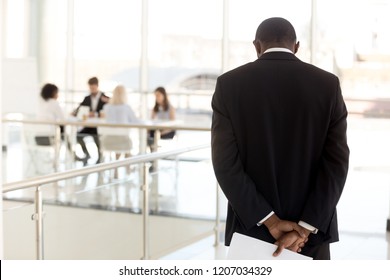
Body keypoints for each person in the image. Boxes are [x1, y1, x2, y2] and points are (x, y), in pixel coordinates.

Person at [211, 17, 349, 260]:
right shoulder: (327, 85)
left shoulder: (229, 85)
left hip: (251, 230)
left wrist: (270, 221)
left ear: (256, 45)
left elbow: (225, 164)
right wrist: (305, 227)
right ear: (296, 46)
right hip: (310, 239)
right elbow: (337, 164)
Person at [73, 77, 109, 163]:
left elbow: (108, 111)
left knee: (97, 139)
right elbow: (79, 109)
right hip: (89, 125)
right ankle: (87, 154)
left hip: (99, 126)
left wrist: (95, 114)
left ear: (97, 86)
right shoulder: (87, 98)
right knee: (78, 136)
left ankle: (100, 158)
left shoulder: (105, 98)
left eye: (93, 87)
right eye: (90, 88)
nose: (91, 90)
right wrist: (74, 112)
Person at [101, 85, 138, 162]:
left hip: (107, 140)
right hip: (123, 140)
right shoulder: (126, 107)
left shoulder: (107, 107)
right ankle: (128, 167)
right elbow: (135, 121)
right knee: (122, 141)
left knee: (118, 140)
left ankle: (117, 168)